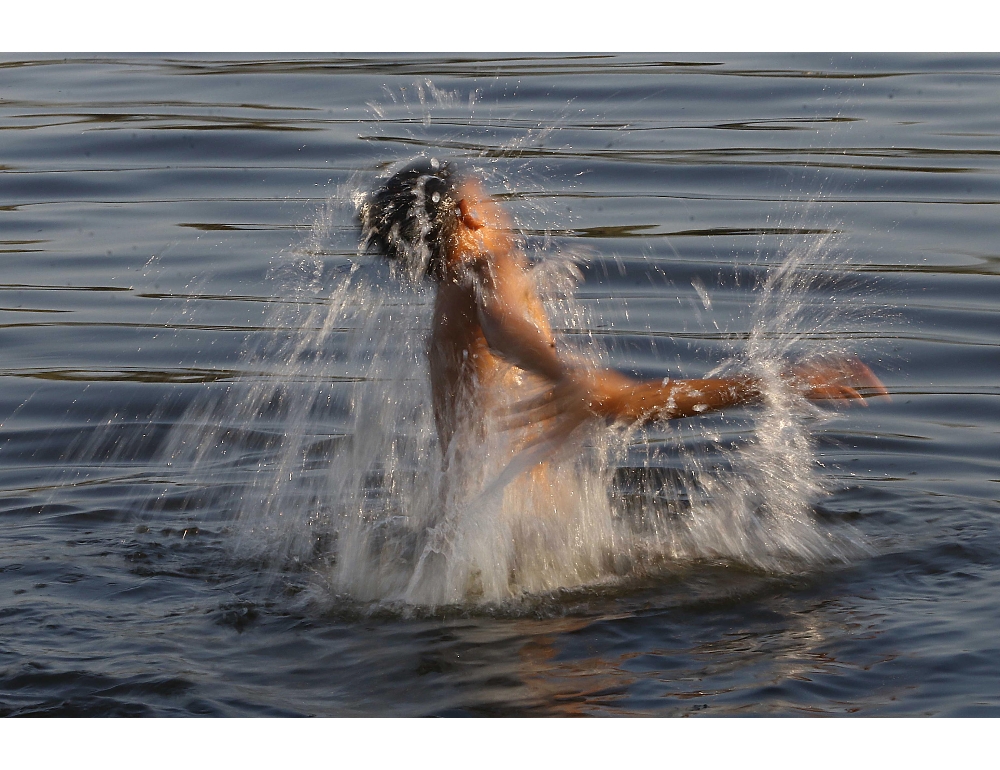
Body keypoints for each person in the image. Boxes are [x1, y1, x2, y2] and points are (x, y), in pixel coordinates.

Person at [359, 158, 888, 464]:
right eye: (490, 198)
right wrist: (777, 384)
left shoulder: (449, 300)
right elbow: (506, 325)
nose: (502, 209)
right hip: (517, 557)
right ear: (472, 214)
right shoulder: (487, 264)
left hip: (462, 548)